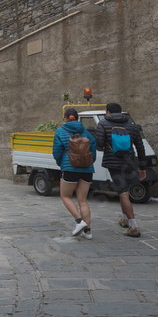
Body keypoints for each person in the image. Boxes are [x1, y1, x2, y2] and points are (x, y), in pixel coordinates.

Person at [95, 102, 147, 237]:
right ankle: (124, 218)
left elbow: (99, 145)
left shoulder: (103, 124)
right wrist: (142, 167)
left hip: (114, 163)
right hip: (130, 162)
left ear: (107, 112)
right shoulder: (132, 126)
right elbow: (140, 147)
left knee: (123, 193)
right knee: (126, 190)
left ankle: (134, 226)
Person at [52, 107, 97, 239]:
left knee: (65, 196)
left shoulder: (60, 131)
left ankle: (79, 221)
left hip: (70, 168)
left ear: (65, 118)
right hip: (87, 169)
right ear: (77, 118)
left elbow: (57, 151)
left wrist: (61, 163)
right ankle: (88, 232)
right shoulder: (85, 132)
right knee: (82, 200)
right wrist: (89, 161)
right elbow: (93, 146)